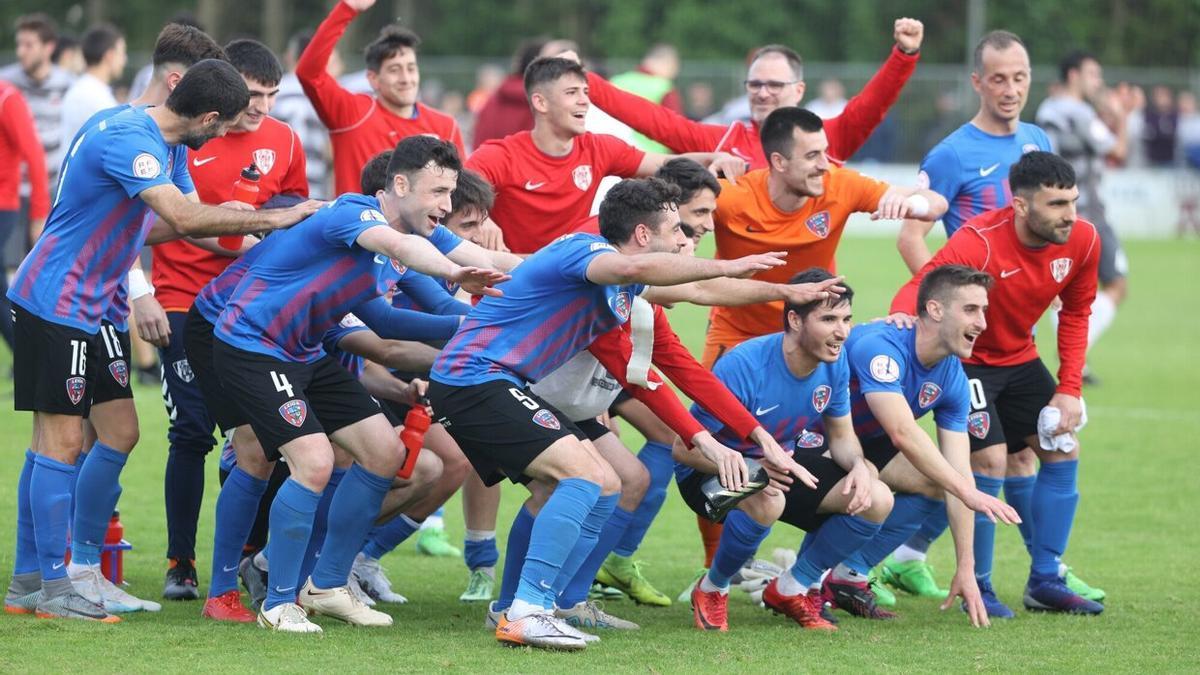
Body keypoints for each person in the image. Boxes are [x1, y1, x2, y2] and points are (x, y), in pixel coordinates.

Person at [2, 59, 320, 623]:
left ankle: (46, 575)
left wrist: (239, 219)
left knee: (116, 431)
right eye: (223, 127)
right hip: (56, 301)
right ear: (208, 115)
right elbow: (184, 215)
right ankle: (48, 584)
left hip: (95, 304)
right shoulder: (133, 139)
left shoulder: (167, 143)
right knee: (59, 441)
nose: (224, 138)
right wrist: (279, 218)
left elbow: (167, 224)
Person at [428, 177, 792, 650]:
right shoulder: (586, 252)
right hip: (473, 377)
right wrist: (736, 264)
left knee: (607, 482)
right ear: (643, 236)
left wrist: (705, 437)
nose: (686, 239)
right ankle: (528, 610)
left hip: (495, 383)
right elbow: (657, 280)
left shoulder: (621, 290)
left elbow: (650, 361)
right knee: (582, 477)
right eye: (677, 229)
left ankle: (522, 604)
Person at [210, 136, 505, 633]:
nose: (447, 206)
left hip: (305, 350)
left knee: (384, 455)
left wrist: (571, 273)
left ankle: (326, 586)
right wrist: (457, 272)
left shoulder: (415, 237)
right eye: (438, 192)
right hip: (252, 344)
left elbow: (489, 265)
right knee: (314, 459)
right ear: (400, 184)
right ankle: (278, 601)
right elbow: (401, 248)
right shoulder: (355, 213)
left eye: (451, 194)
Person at [890, 151, 1106, 616]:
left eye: (1072, 201)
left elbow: (1076, 312)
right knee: (989, 457)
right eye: (1056, 205)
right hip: (970, 363)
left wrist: (1070, 388)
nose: (1069, 214)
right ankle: (980, 585)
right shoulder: (979, 240)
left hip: (1020, 358)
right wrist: (898, 318)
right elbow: (925, 285)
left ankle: (1046, 579)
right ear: (1021, 206)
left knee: (1061, 447)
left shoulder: (1084, 241)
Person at [149, 38, 310, 607]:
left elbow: (291, 220)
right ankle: (181, 563)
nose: (262, 106)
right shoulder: (188, 136)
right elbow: (154, 222)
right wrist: (138, 291)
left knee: (265, 438)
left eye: (272, 94)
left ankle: (246, 558)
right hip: (179, 298)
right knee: (191, 430)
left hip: (248, 311)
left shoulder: (286, 141)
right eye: (253, 93)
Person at [827, 265, 1018, 627]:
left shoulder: (953, 378)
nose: (983, 323)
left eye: (984, 311)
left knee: (936, 482)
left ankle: (846, 575)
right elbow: (902, 432)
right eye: (971, 310)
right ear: (935, 310)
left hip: (864, 448)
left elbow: (958, 470)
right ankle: (798, 577)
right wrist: (967, 491)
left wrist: (966, 568)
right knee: (871, 485)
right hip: (811, 440)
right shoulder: (881, 346)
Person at [466, 56, 742, 254]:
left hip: (568, 276)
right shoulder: (502, 155)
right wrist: (482, 218)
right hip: (511, 285)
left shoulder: (598, 148)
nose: (585, 100)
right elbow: (459, 186)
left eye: (586, 92)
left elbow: (663, 164)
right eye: (572, 92)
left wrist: (713, 159)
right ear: (540, 102)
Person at [576, 19, 923, 169]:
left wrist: (903, 56)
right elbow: (654, 120)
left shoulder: (828, 137)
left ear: (799, 90)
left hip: (809, 310)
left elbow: (872, 105)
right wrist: (583, 80)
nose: (762, 93)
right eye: (754, 84)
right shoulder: (724, 139)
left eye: (774, 85)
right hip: (734, 316)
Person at [297, 0, 466, 196]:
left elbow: (461, 192)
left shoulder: (445, 126)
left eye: (411, 68)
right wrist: (346, 10)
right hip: (359, 225)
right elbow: (309, 73)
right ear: (373, 78)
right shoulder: (352, 113)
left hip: (422, 228)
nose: (406, 78)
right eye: (395, 70)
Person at [1037, 51, 1129, 385]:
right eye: (1093, 74)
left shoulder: (1048, 109)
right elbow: (1118, 150)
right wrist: (1123, 116)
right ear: (1074, 75)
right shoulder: (1077, 111)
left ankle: (1076, 358)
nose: (1098, 82)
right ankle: (1073, 354)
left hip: (1060, 212)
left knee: (1063, 290)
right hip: (1086, 213)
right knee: (1116, 283)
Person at [0, 13, 75, 196]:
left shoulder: (69, 84)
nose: (20, 51)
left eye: (28, 45)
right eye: (19, 44)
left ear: (49, 47)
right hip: (13, 190)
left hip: (53, 187)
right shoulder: (5, 82)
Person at [0, 82, 49, 354]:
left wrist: (39, 214)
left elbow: (34, 155)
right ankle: (30, 359)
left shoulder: (7, 97)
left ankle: (31, 358)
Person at [60, 24, 127, 151]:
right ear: (110, 55)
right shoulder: (93, 96)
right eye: (122, 53)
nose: (124, 60)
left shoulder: (86, 89)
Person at [609, 44, 683, 153]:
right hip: (650, 158)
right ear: (667, 63)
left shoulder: (616, 81)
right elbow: (676, 129)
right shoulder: (663, 87)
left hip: (613, 152)